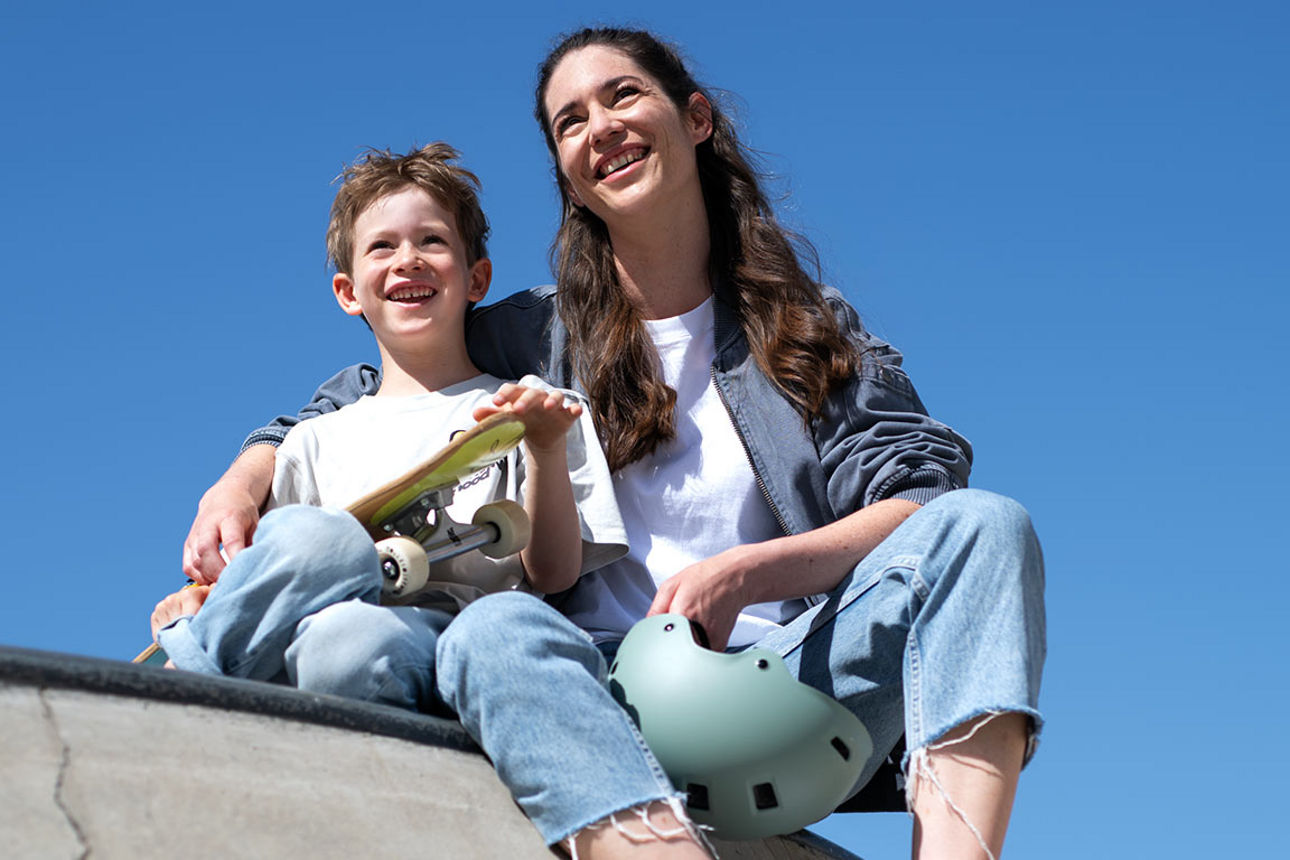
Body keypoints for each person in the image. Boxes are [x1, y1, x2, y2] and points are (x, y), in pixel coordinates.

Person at [186, 28, 1046, 860]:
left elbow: (922, 500)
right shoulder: (535, 334)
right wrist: (241, 481)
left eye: (623, 94)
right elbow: (383, 389)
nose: (600, 127)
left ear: (696, 118)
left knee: (988, 525)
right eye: (570, 121)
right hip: (598, 685)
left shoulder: (808, 325)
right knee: (499, 628)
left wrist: (752, 571)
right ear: (566, 169)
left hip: (789, 679)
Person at [153, 144, 712, 859]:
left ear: (476, 277)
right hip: (371, 659)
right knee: (336, 616)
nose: (408, 260)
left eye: (432, 242)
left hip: (487, 650)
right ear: (348, 291)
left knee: (502, 618)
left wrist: (540, 444)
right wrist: (215, 590)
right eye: (382, 246)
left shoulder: (536, 408)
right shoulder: (310, 445)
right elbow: (280, 580)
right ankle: (188, 678)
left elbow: (556, 574)